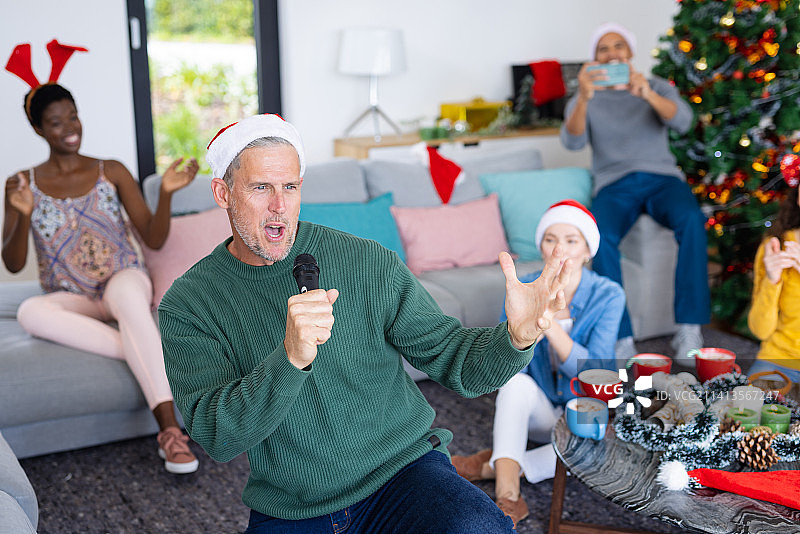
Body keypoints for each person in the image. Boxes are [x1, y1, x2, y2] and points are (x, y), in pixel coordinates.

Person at [158, 113, 574, 532]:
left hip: (403, 474)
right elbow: (217, 436)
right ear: (223, 192)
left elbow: (457, 361)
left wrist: (515, 338)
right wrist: (289, 360)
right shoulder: (189, 305)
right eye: (261, 187)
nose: (279, 206)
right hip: (294, 505)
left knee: (480, 527)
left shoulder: (365, 261)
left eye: (290, 186)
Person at [2, 82, 200, 474]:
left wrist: (168, 195)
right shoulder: (22, 184)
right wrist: (20, 212)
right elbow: (12, 262)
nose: (69, 127)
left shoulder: (111, 170)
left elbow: (154, 238)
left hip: (122, 278)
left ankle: (170, 431)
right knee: (30, 313)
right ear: (40, 130)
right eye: (56, 122)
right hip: (68, 293)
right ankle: (148, 350)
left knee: (128, 300)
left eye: (72, 115)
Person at [451, 200, 625, 526]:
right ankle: (509, 496)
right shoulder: (523, 287)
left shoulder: (608, 294)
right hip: (541, 412)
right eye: (550, 239)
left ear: (588, 250)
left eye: (571, 240)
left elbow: (597, 373)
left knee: (602, 449)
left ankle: (498, 463)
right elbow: (509, 371)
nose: (560, 249)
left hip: (583, 415)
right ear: (541, 247)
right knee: (515, 385)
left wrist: (549, 324)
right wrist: (522, 337)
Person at [560, 22, 710, 365]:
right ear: (594, 59)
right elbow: (572, 141)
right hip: (614, 183)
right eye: (603, 49)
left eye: (618, 47)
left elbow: (684, 122)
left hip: (662, 179)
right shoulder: (587, 95)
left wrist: (647, 94)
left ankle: (689, 328)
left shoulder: (654, 85)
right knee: (600, 237)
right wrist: (583, 97)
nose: (612, 53)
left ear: (630, 53)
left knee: (691, 219)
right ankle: (621, 336)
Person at [747, 183, 800, 385]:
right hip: (779, 359)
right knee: (743, 411)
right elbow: (761, 330)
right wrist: (772, 280)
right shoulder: (775, 245)